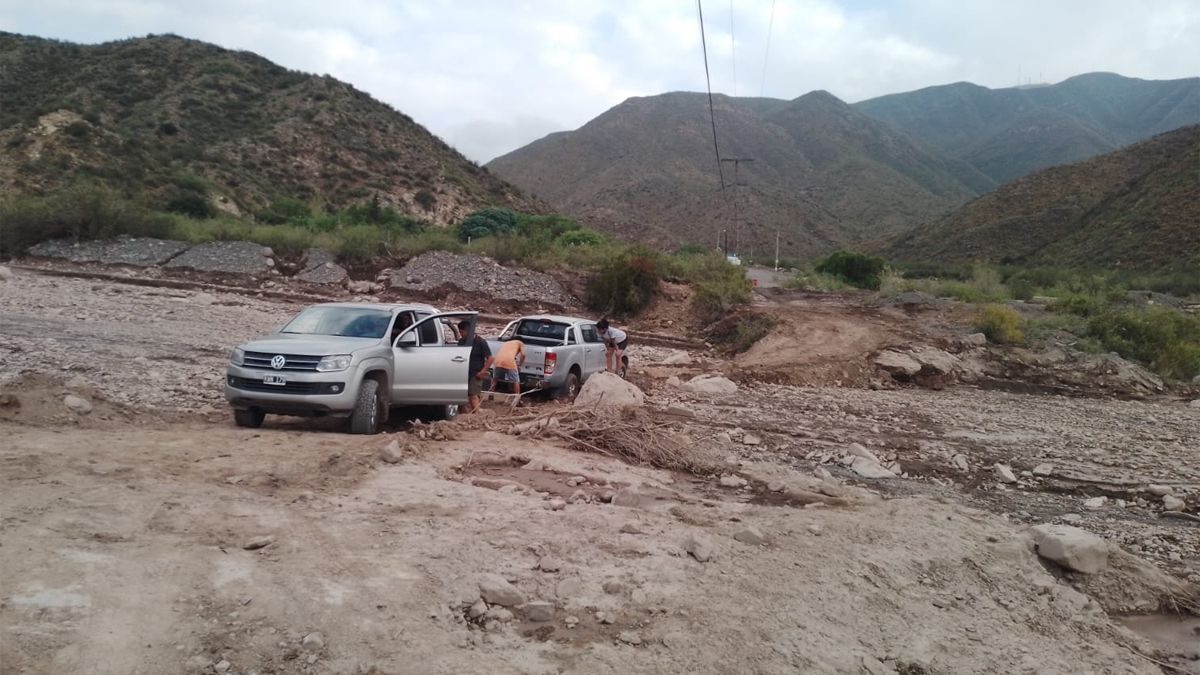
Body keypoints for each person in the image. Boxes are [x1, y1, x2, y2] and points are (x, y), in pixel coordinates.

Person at [457, 319, 492, 414]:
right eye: (459, 332)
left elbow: (490, 358)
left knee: (473, 394)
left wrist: (482, 372)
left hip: (476, 373)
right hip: (463, 373)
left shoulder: (480, 342)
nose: (461, 334)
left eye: (462, 332)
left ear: (468, 330)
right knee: (461, 395)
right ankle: (464, 416)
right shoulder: (461, 341)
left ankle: (476, 415)